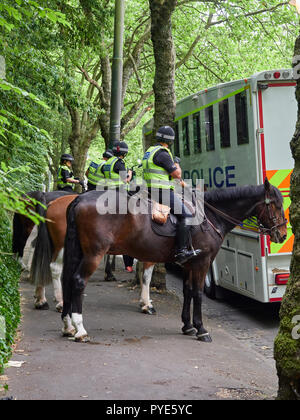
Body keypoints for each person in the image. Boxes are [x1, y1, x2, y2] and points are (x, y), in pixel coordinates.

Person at [142, 125, 201, 264]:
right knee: (186, 215)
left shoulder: (150, 151)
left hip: (151, 190)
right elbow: (176, 174)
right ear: (170, 140)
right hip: (161, 191)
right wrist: (176, 163)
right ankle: (181, 251)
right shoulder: (162, 153)